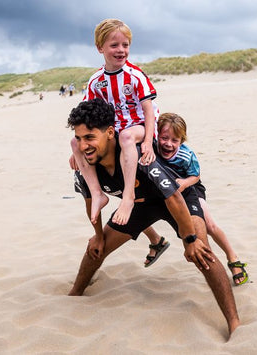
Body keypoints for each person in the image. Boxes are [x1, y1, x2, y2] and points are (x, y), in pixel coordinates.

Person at [67, 98, 240, 339]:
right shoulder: (87, 165)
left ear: (109, 133)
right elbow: (90, 202)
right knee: (96, 248)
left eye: (90, 137)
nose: (84, 145)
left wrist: (189, 238)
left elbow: (172, 197)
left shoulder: (135, 155)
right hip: (141, 204)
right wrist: (97, 236)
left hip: (180, 196)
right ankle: (75, 293)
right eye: (79, 138)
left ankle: (234, 323)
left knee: (202, 252)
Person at [70, 18, 158, 229]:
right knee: (75, 143)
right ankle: (97, 193)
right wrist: (77, 152)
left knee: (126, 137)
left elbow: (149, 110)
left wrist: (147, 140)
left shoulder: (135, 75)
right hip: (113, 131)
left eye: (125, 45)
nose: (121, 50)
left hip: (137, 126)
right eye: (114, 45)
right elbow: (87, 116)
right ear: (100, 47)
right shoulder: (96, 81)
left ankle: (128, 196)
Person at [151, 112, 248, 285]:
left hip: (191, 188)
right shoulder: (151, 148)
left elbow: (195, 176)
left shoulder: (186, 155)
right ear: (156, 135)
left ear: (182, 141)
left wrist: (184, 183)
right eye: (164, 138)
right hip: (168, 191)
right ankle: (155, 241)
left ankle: (233, 258)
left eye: (175, 140)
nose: (168, 144)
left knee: (209, 225)